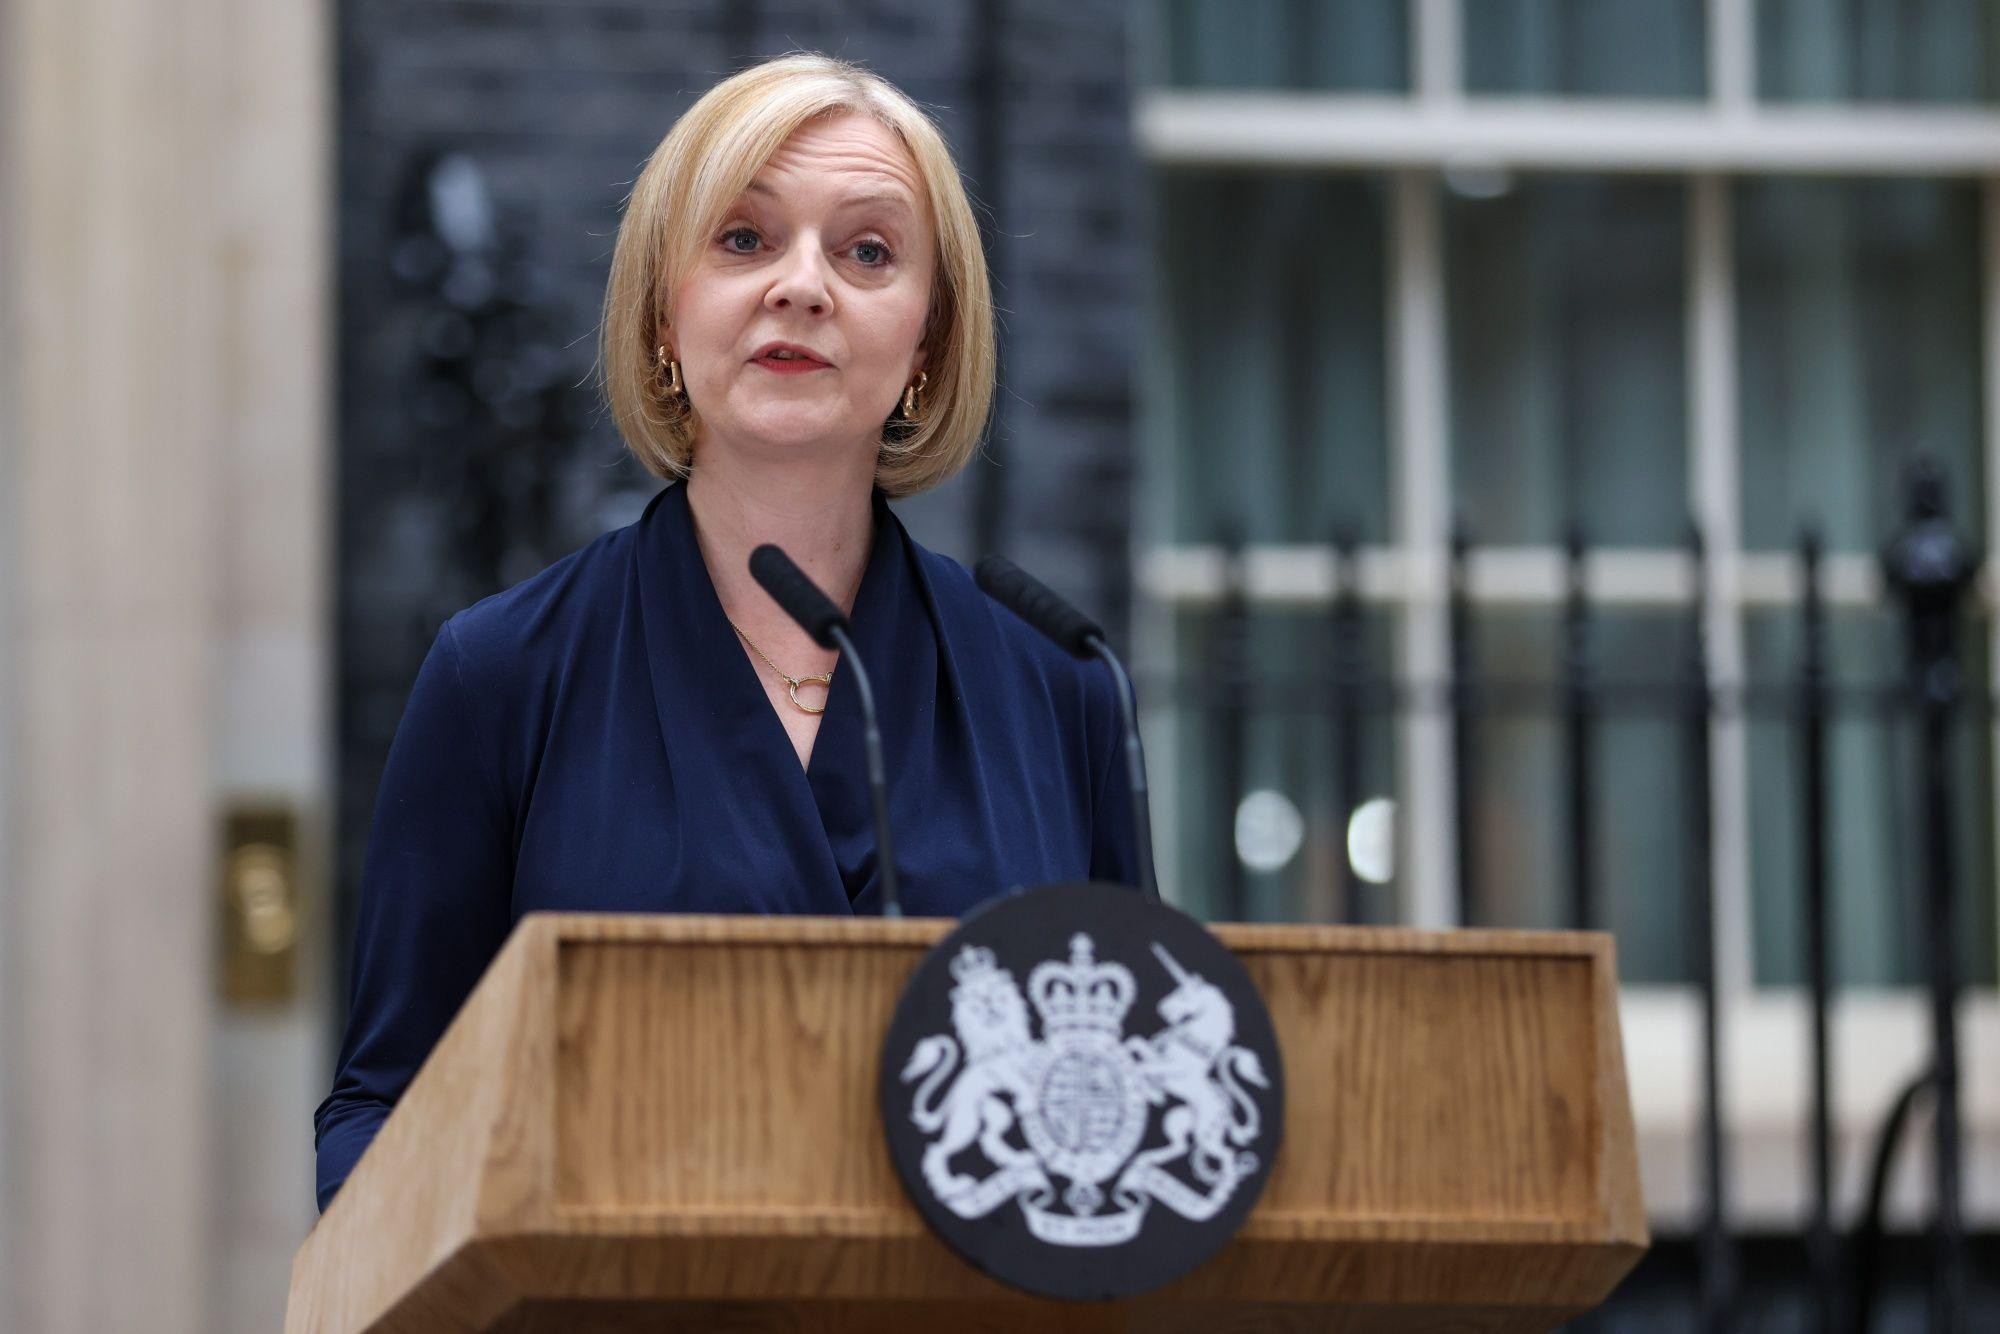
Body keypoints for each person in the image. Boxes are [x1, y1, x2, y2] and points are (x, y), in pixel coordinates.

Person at [312, 52, 1142, 1213]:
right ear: (665, 312)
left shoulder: (1060, 685)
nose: (802, 285)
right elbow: (383, 1109)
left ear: (928, 343)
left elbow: (1134, 1099)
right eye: (744, 239)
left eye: (867, 251)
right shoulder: (499, 673)